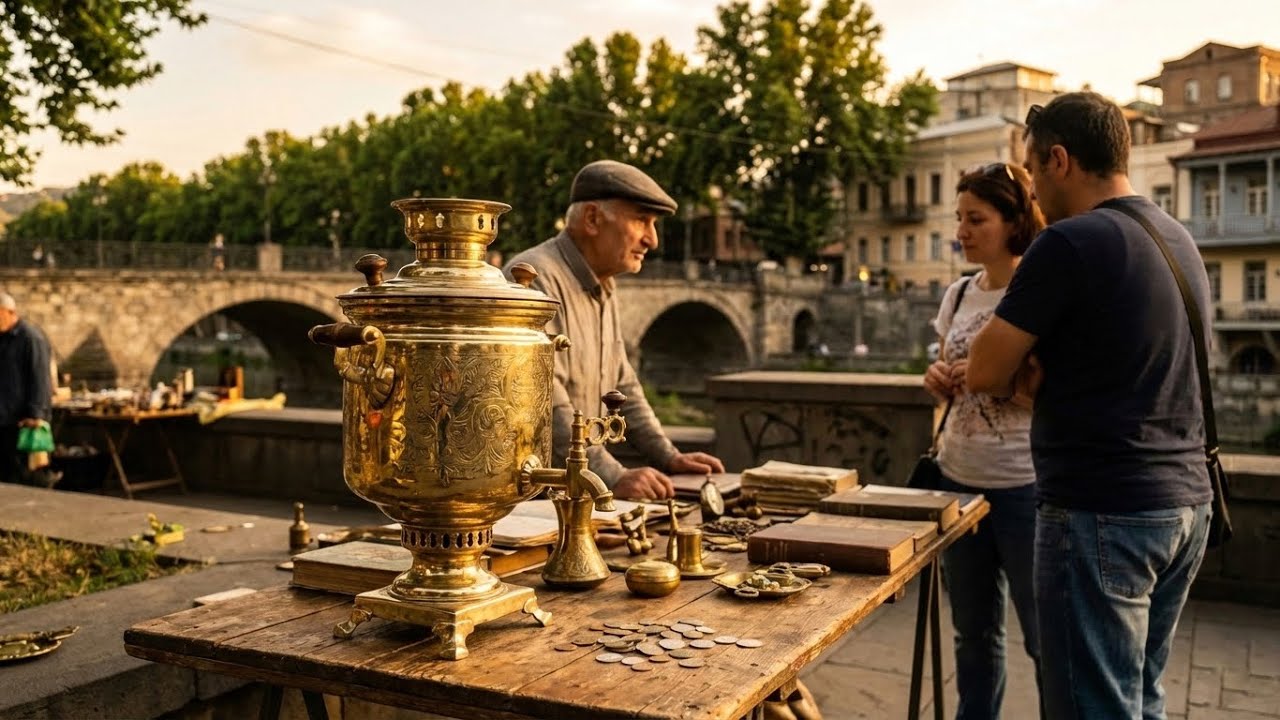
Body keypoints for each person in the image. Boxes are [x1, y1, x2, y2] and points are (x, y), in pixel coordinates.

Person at [967, 91, 1213, 720]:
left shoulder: (1070, 242)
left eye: (1032, 168)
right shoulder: (1178, 237)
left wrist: (1027, 373)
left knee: (1091, 707)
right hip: (1186, 505)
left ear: (1058, 159)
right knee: (1140, 697)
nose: (1031, 193)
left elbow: (982, 370)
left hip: (1102, 509)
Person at [503, 160, 725, 500]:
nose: (652, 239)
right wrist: (612, 475)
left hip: (576, 493)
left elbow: (623, 385)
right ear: (593, 219)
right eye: (641, 220)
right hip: (533, 502)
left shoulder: (604, 284)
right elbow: (543, 399)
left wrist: (669, 456)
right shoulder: (536, 279)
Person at [922, 162, 1045, 720]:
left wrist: (988, 375)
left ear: (1013, 221)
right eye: (959, 219)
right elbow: (945, 377)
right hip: (958, 480)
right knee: (973, 632)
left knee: (1045, 636)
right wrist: (936, 379)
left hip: (1023, 485)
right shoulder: (960, 293)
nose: (963, 231)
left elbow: (1050, 391)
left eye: (977, 219)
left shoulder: (1036, 289)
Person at [0, 292, 53, 485]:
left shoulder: (30, 338)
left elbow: (40, 377)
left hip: (22, 418)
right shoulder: (4, 338)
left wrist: (36, 413)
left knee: (22, 472)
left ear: (8, 312)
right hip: (5, 416)